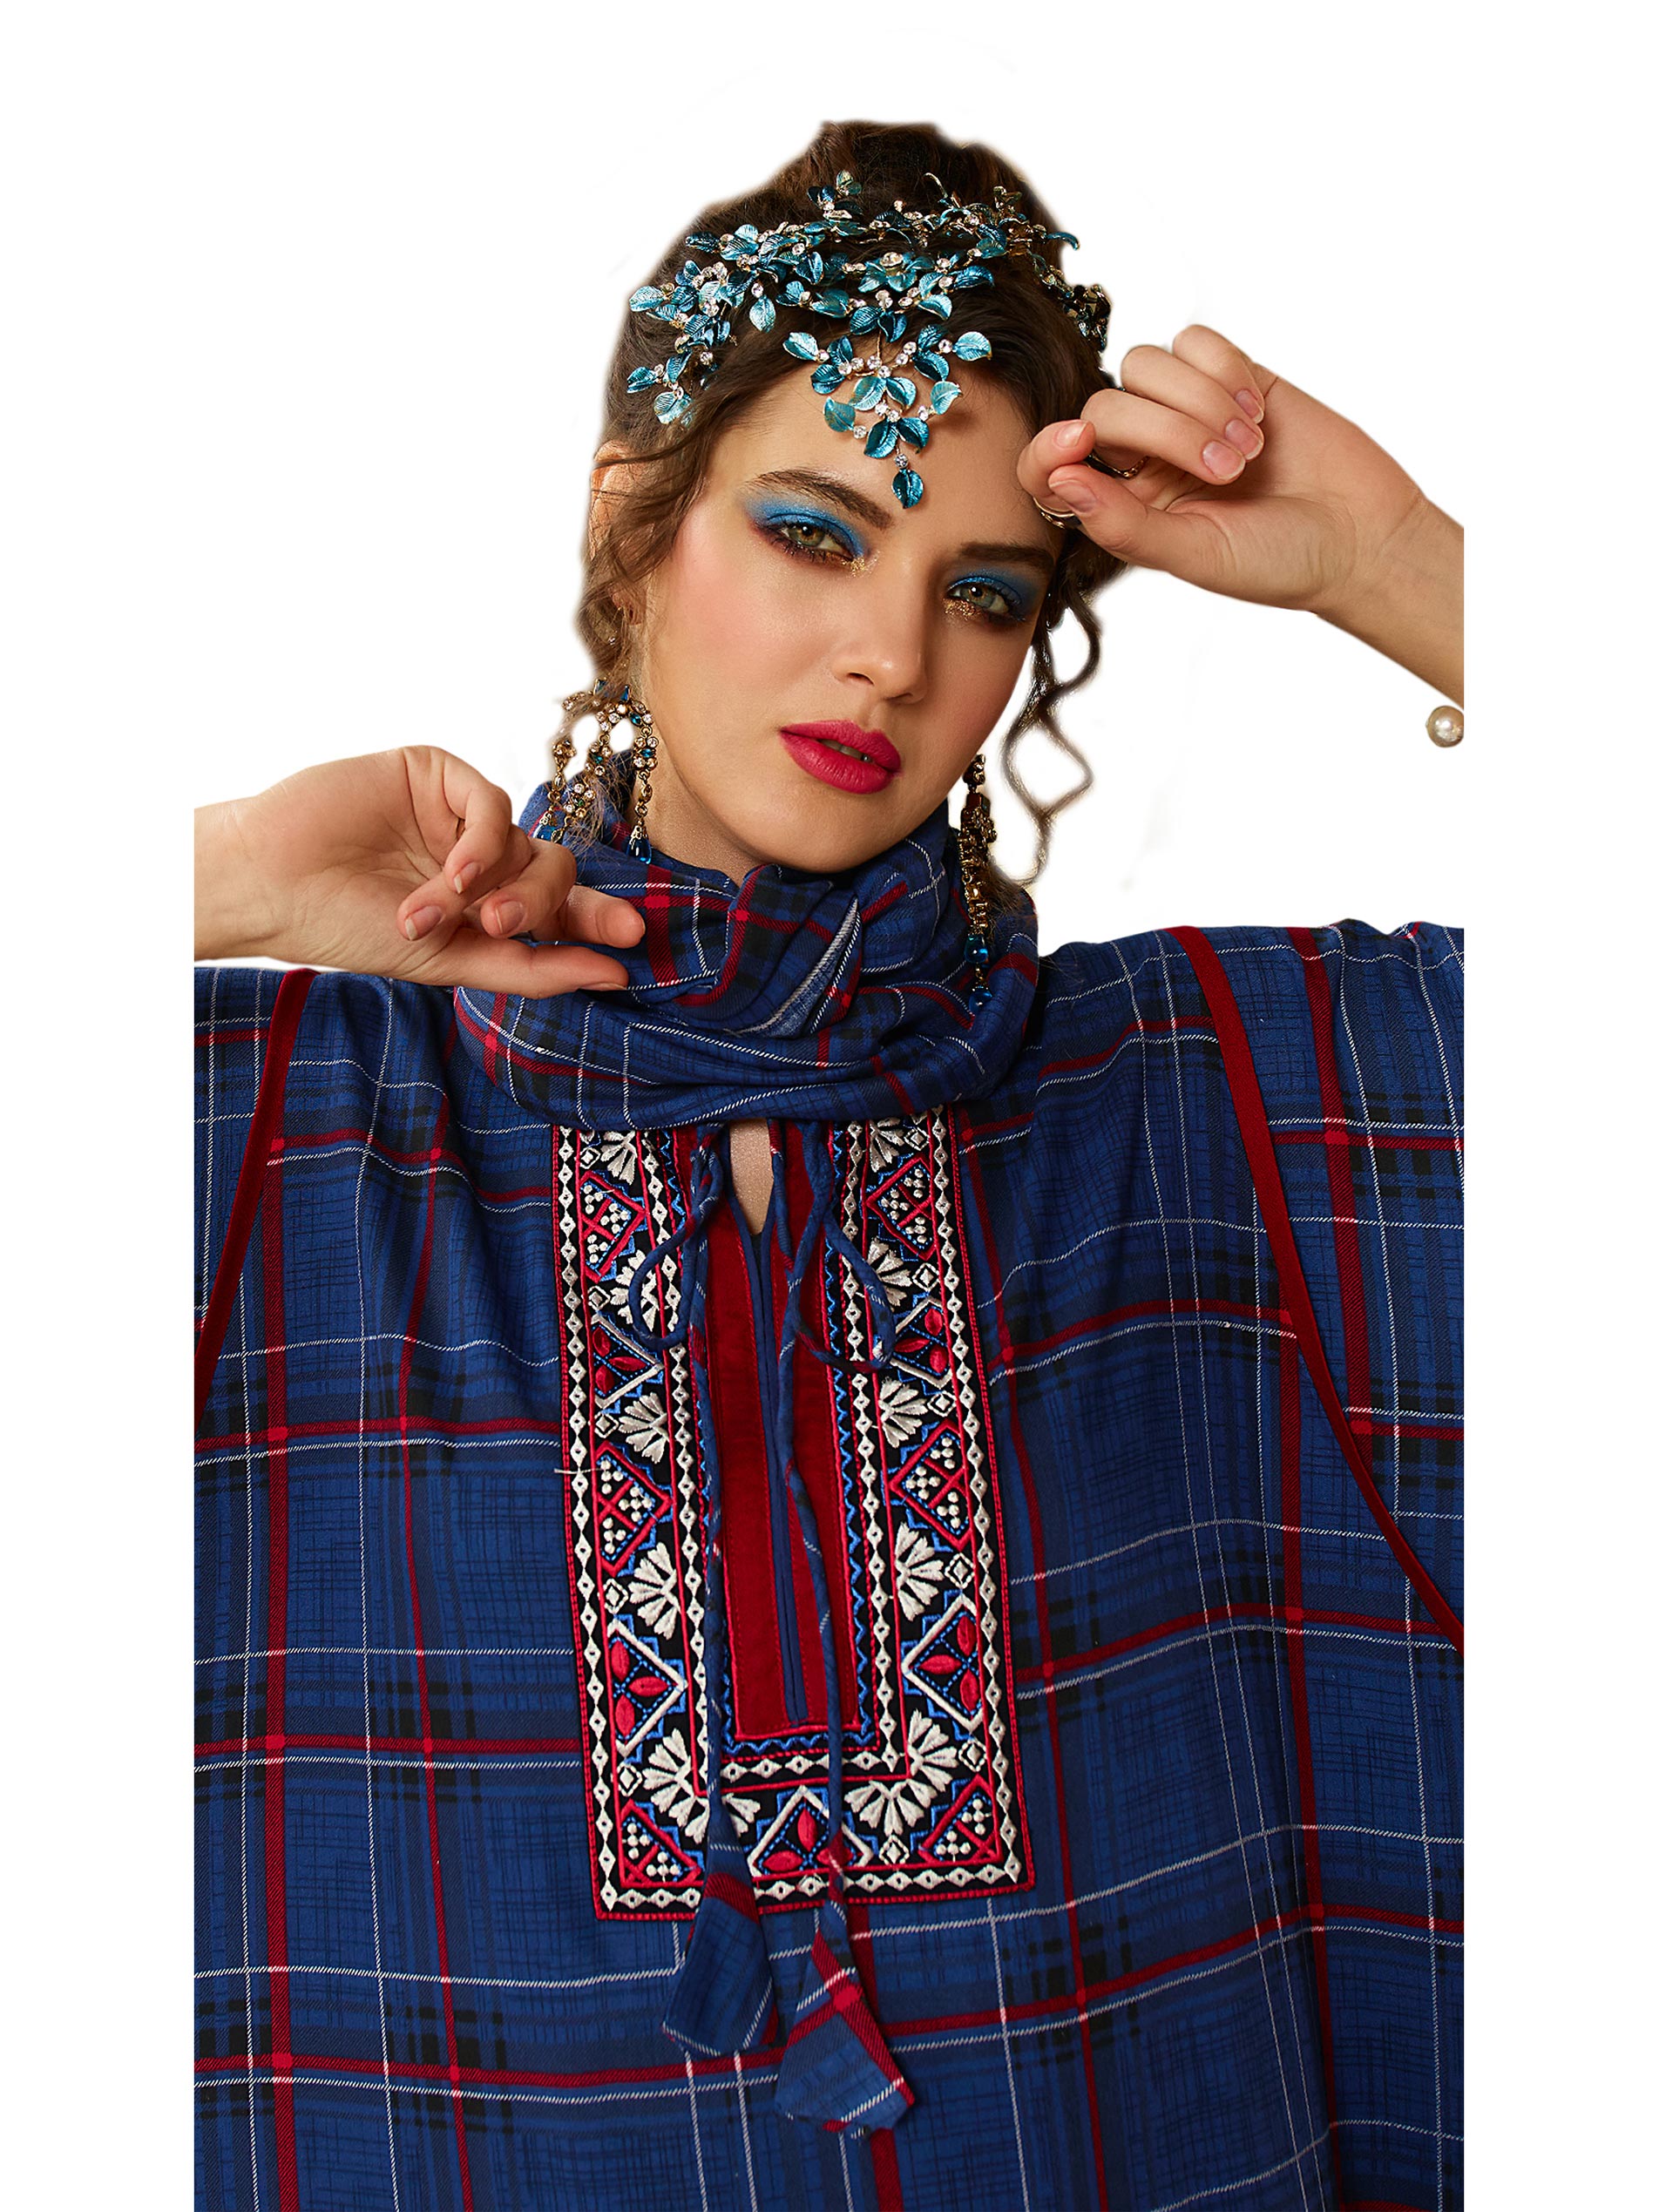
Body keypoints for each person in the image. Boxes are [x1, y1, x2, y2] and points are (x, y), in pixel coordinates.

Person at [194, 119, 1463, 2212]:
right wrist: (222, 879)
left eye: (983, 591)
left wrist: (1397, 563)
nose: (892, 651)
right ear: (630, 527)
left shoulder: (1201, 1098)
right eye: (812, 531)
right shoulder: (280, 1131)